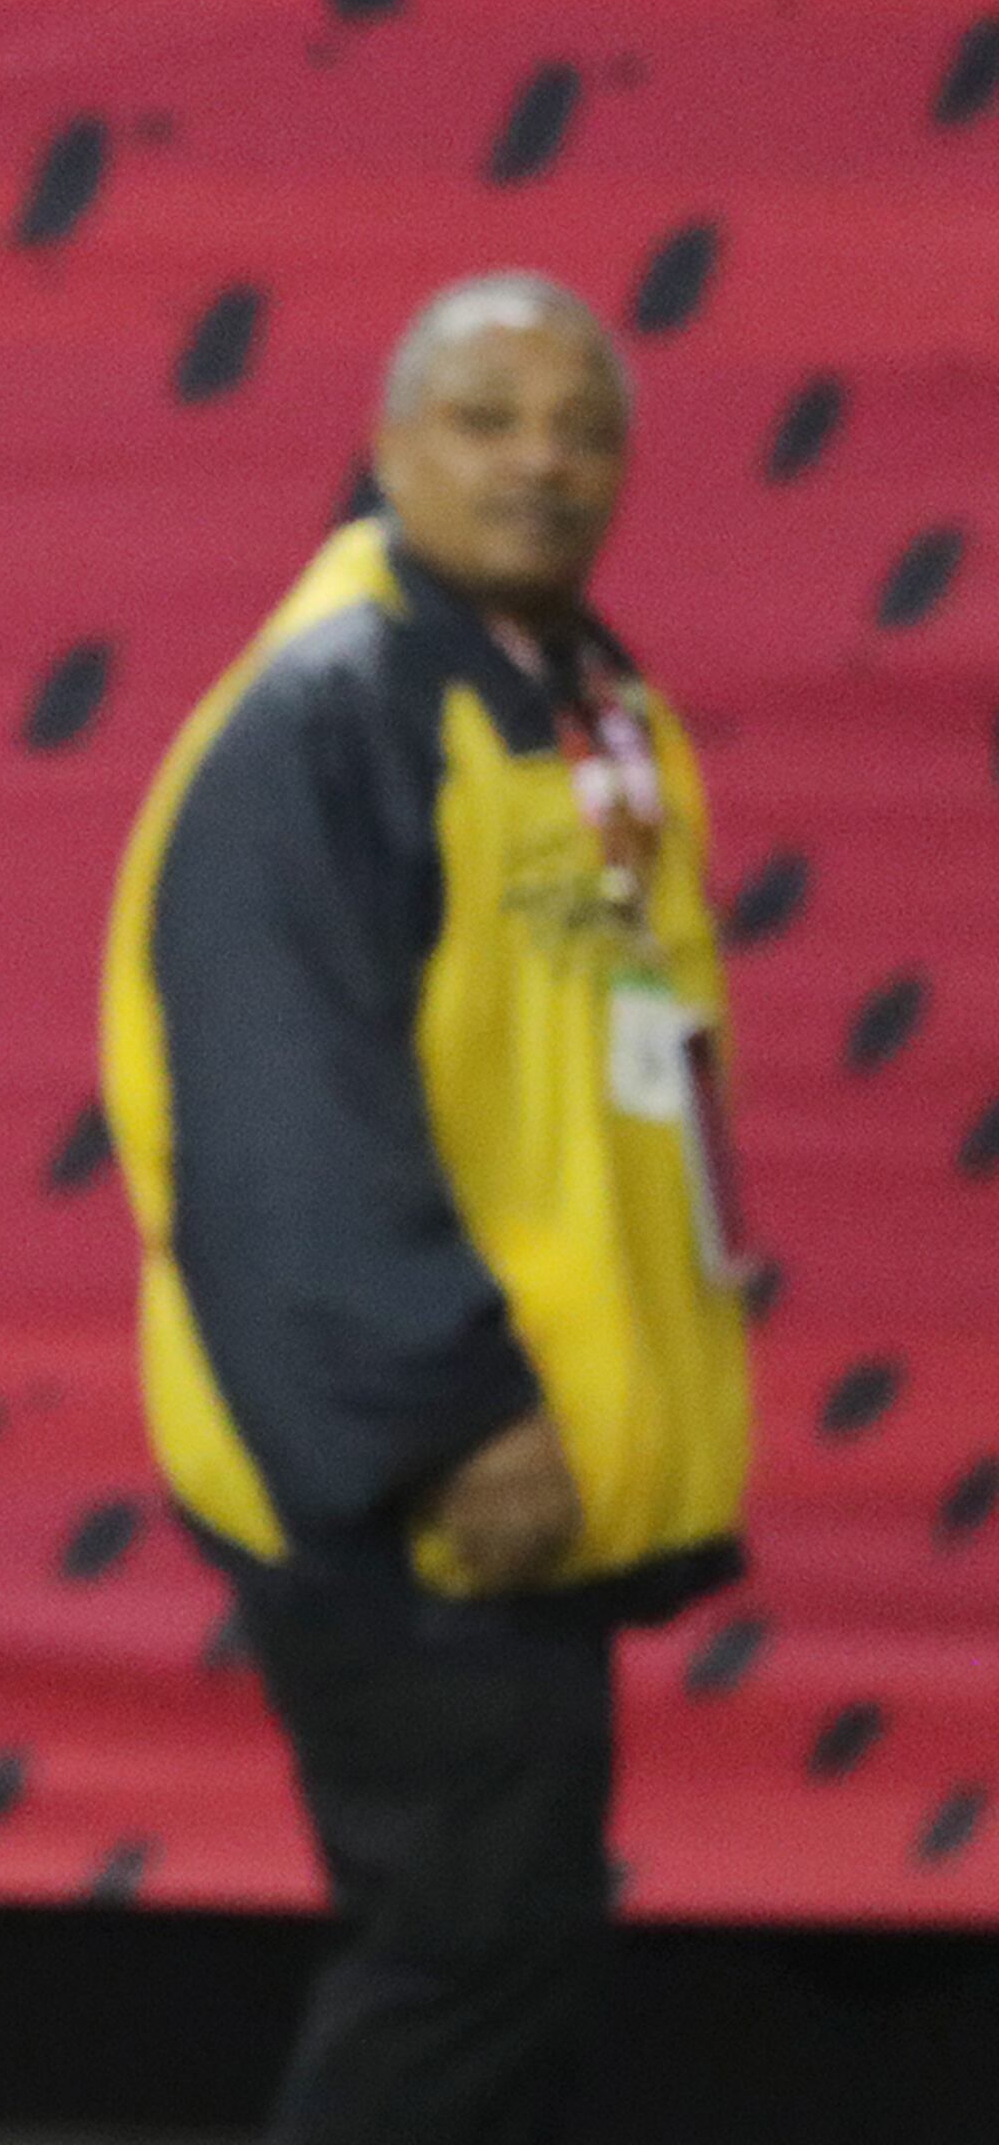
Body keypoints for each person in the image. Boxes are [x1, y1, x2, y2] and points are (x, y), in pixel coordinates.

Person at [97, 272, 753, 2144]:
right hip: (429, 1475)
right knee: (462, 1968)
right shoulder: (334, 710)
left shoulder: (569, 694)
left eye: (584, 428)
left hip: (514, 1463)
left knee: (504, 1952)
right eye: (490, 420)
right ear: (391, 450)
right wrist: (455, 1422)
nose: (545, 463)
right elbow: (280, 1121)